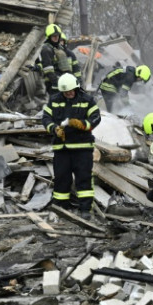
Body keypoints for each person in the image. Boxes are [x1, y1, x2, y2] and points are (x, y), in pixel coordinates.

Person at [42, 73, 101, 218]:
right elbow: (46, 118)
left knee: (84, 179)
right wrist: (54, 129)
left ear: (76, 87)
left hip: (82, 148)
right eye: (65, 92)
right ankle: (61, 208)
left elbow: (96, 117)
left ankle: (85, 209)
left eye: (70, 91)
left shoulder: (87, 100)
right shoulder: (55, 100)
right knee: (62, 178)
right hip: (62, 149)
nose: (68, 94)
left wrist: (83, 124)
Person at [36, 24, 75, 95]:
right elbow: (48, 70)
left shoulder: (59, 48)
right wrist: (57, 83)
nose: (56, 37)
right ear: (49, 37)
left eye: (57, 35)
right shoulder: (46, 49)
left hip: (62, 81)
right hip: (52, 84)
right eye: (53, 36)